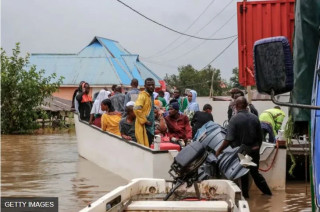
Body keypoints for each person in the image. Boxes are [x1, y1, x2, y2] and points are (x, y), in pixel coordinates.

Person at [216, 97, 272, 198]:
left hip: (243, 152)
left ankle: (245, 197)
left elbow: (228, 139)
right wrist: (256, 148)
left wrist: (219, 150)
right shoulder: (255, 118)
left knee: (244, 174)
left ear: (237, 106)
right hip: (254, 150)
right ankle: (268, 194)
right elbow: (261, 137)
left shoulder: (234, 119)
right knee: (255, 173)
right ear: (246, 105)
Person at [134, 78, 155, 147]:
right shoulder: (142, 95)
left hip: (151, 126)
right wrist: (145, 121)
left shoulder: (150, 95)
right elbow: (136, 108)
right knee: (144, 146)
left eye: (152, 85)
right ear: (145, 86)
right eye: (149, 85)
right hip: (144, 126)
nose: (151, 86)